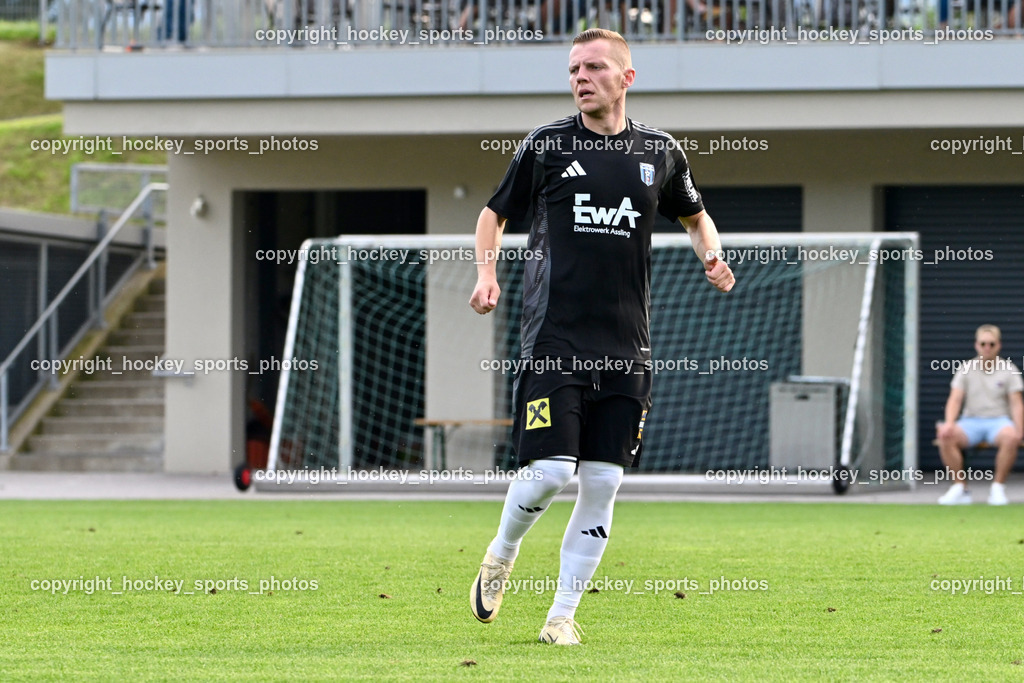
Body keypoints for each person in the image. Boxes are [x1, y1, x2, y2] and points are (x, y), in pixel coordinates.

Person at [467, 28, 734, 645]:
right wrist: (486, 273)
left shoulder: (661, 152)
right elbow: (493, 212)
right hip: (553, 338)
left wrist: (712, 256)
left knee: (605, 481)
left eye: (592, 67)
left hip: (627, 346)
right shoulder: (547, 145)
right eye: (572, 69)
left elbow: (695, 216)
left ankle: (561, 615)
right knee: (552, 470)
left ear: (626, 78)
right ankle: (502, 553)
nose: (579, 78)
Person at [936, 324, 1023, 506]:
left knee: (1011, 437)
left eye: (991, 344)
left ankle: (997, 488)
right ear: (976, 345)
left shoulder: (1009, 369)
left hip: (999, 421)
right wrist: (950, 423)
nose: (987, 348)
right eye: (983, 344)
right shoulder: (965, 368)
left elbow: (1016, 403)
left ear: (999, 345)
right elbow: (955, 399)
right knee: (945, 436)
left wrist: (1019, 430)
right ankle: (960, 488)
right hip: (970, 421)